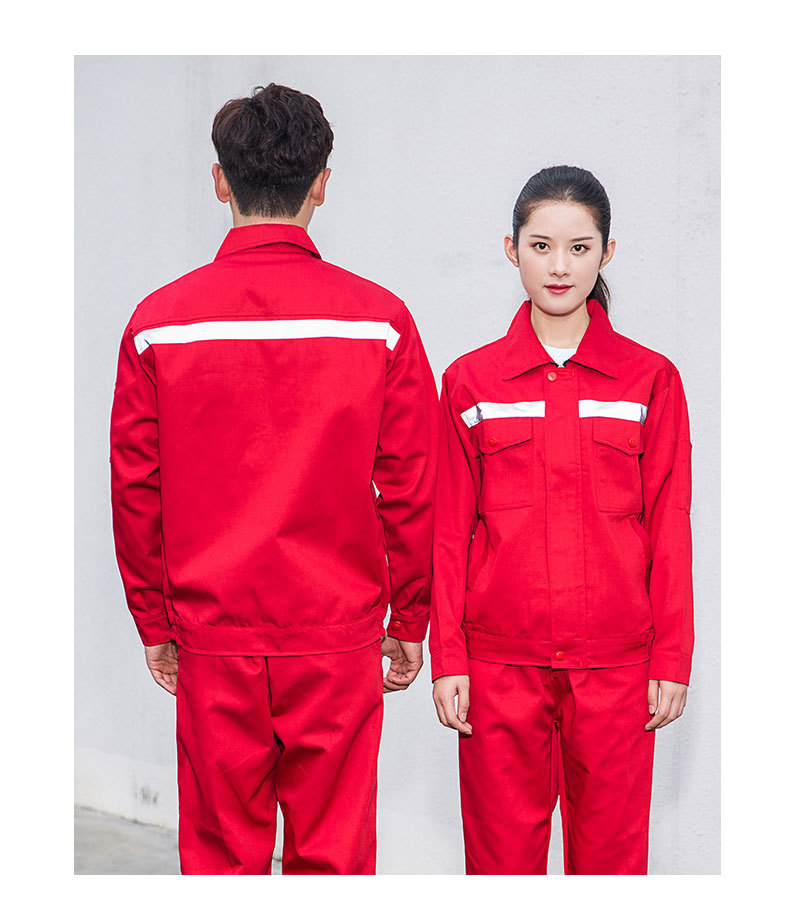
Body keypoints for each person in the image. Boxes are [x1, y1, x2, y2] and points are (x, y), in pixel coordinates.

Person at [109, 83, 438, 875]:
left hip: (212, 634)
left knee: (223, 860)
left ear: (219, 181)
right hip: (336, 637)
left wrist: (154, 620)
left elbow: (135, 488)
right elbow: (412, 483)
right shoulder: (380, 322)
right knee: (334, 856)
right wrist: (410, 613)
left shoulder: (158, 324)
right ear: (321, 183)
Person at [429, 165, 693, 875]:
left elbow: (671, 528)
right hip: (498, 669)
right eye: (541, 246)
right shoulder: (470, 383)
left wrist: (670, 657)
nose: (559, 266)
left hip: (617, 669)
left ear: (608, 252)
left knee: (610, 866)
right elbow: (449, 533)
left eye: (580, 248)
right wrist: (449, 658)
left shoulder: (651, 380)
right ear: (511, 249)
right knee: (500, 865)